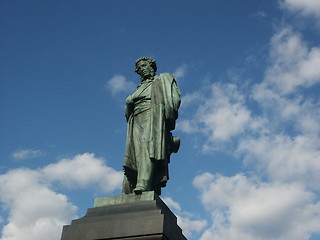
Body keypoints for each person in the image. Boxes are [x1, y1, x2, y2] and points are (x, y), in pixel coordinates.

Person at [122, 57, 181, 195]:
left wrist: (164, 114)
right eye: (138, 68)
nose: (140, 70)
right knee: (135, 154)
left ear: (152, 66)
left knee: (148, 149)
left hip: (152, 115)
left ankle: (143, 184)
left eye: (143, 66)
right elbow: (127, 113)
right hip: (136, 119)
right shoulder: (139, 88)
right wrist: (129, 102)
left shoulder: (162, 79)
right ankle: (133, 185)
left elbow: (174, 99)